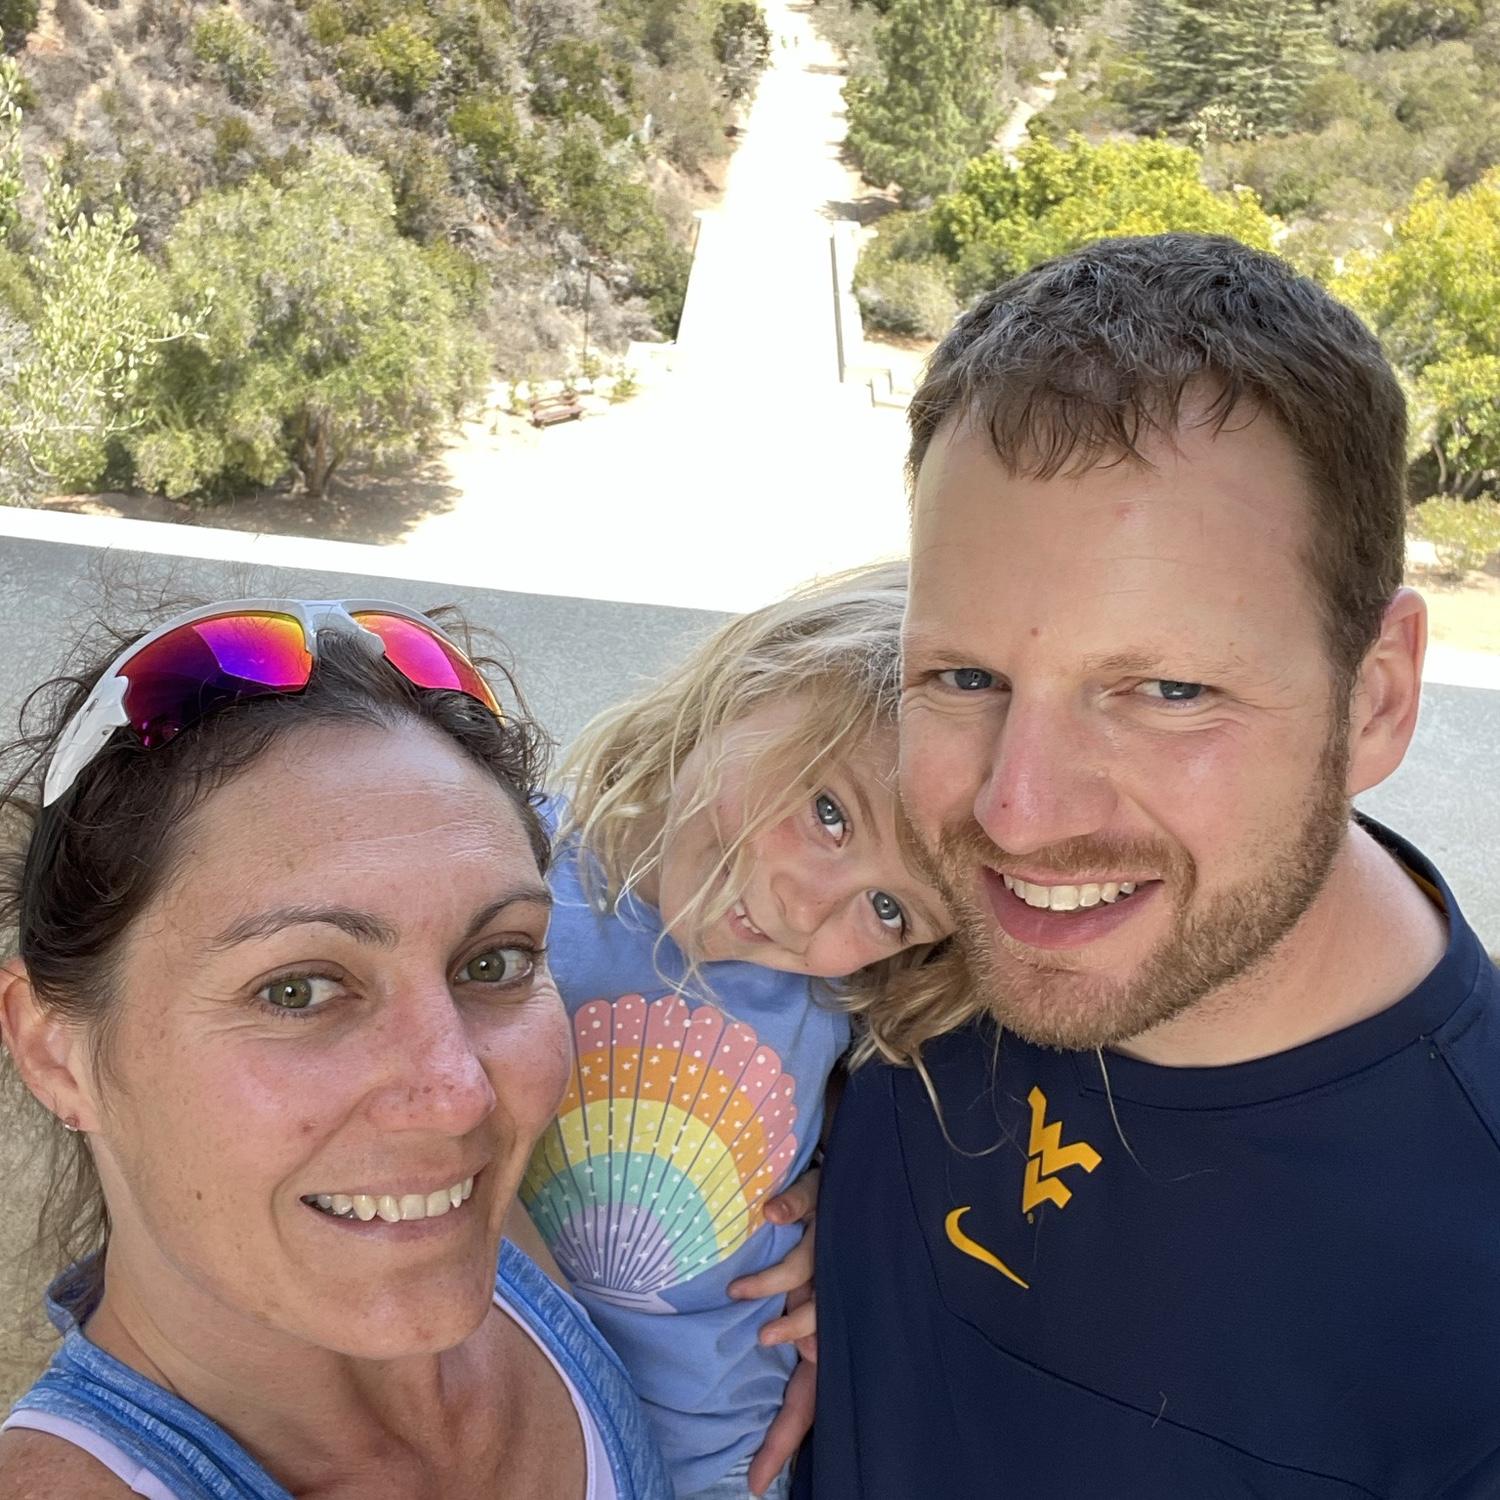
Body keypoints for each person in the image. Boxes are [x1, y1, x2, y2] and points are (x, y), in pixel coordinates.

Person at [798, 235, 1500, 1497]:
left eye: (1170, 691)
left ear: (1378, 698)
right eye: (967, 676)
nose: (1017, 816)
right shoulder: (869, 914)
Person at [0, 599, 673, 1500]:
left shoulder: (471, 1220)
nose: (460, 1097)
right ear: (54, 1051)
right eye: (297, 990)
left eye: (494, 961)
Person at [520, 564, 957, 1499]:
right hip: (492, 1424)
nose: (809, 910)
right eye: (829, 814)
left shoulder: (848, 999)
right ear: (758, 680)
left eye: (888, 908)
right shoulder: (512, 880)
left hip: (718, 1460)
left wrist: (850, 1219)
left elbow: (932, 1169)